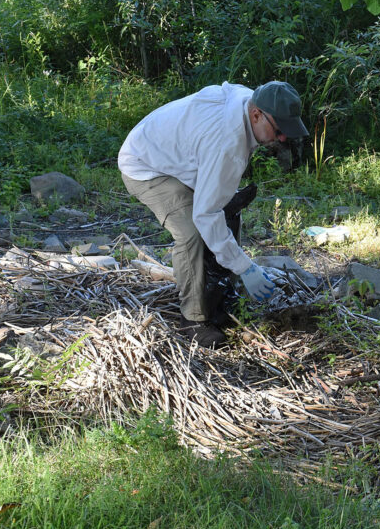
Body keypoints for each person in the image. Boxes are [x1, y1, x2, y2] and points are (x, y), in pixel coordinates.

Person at [118, 81, 308, 347]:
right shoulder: (226, 145)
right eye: (279, 130)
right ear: (256, 115)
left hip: (177, 156)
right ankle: (194, 320)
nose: (283, 138)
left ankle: (222, 296)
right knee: (192, 232)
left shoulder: (249, 103)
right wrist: (246, 267)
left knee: (227, 212)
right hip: (145, 165)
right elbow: (205, 214)